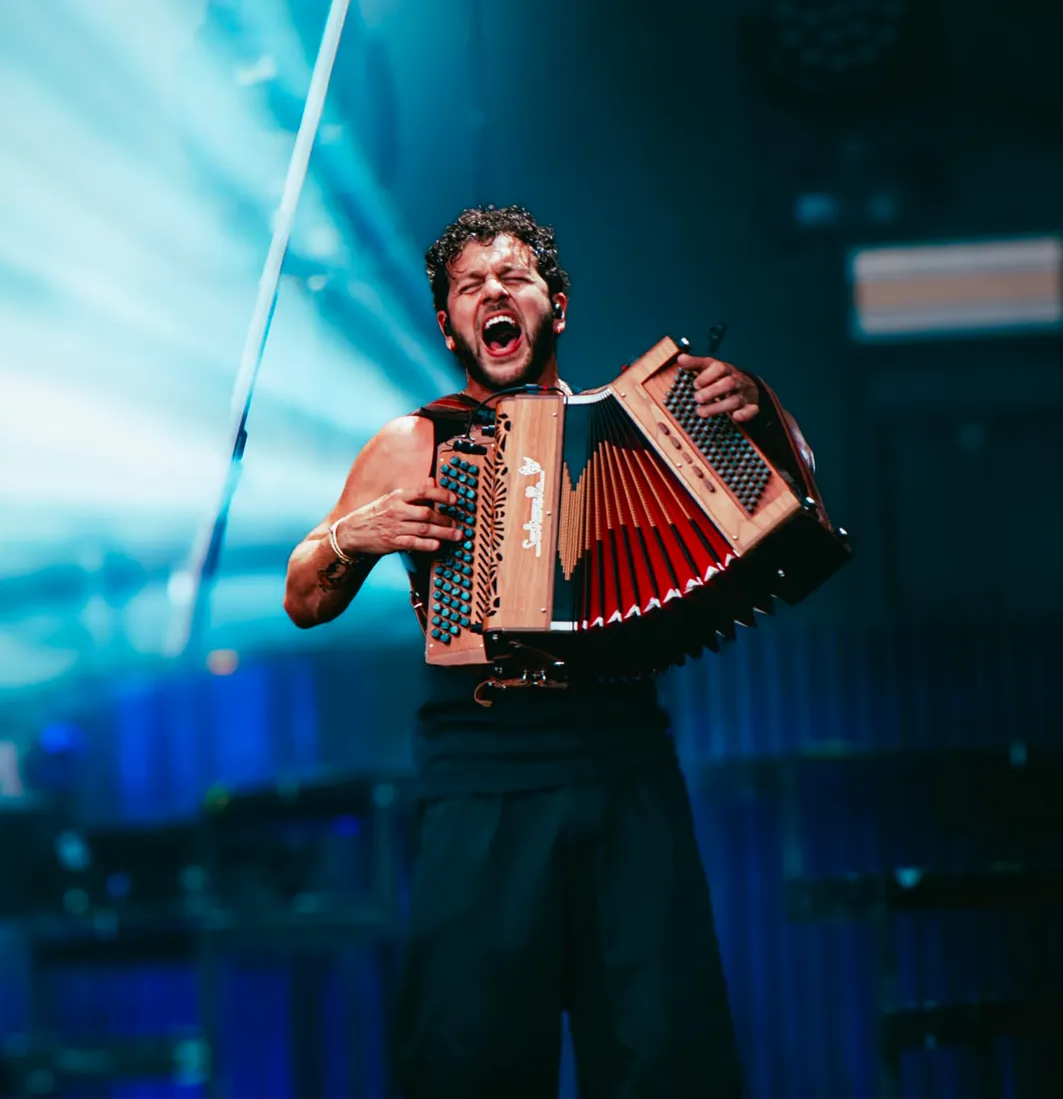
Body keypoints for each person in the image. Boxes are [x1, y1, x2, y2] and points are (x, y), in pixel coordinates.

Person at [283, 205, 806, 1098]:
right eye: (468, 287)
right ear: (449, 323)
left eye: (514, 278)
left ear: (556, 308)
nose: (492, 293)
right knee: (471, 1059)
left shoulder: (645, 428)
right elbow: (303, 597)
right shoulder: (415, 441)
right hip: (482, 782)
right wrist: (352, 537)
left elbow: (783, 521)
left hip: (625, 768)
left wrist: (757, 408)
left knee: (666, 1057)